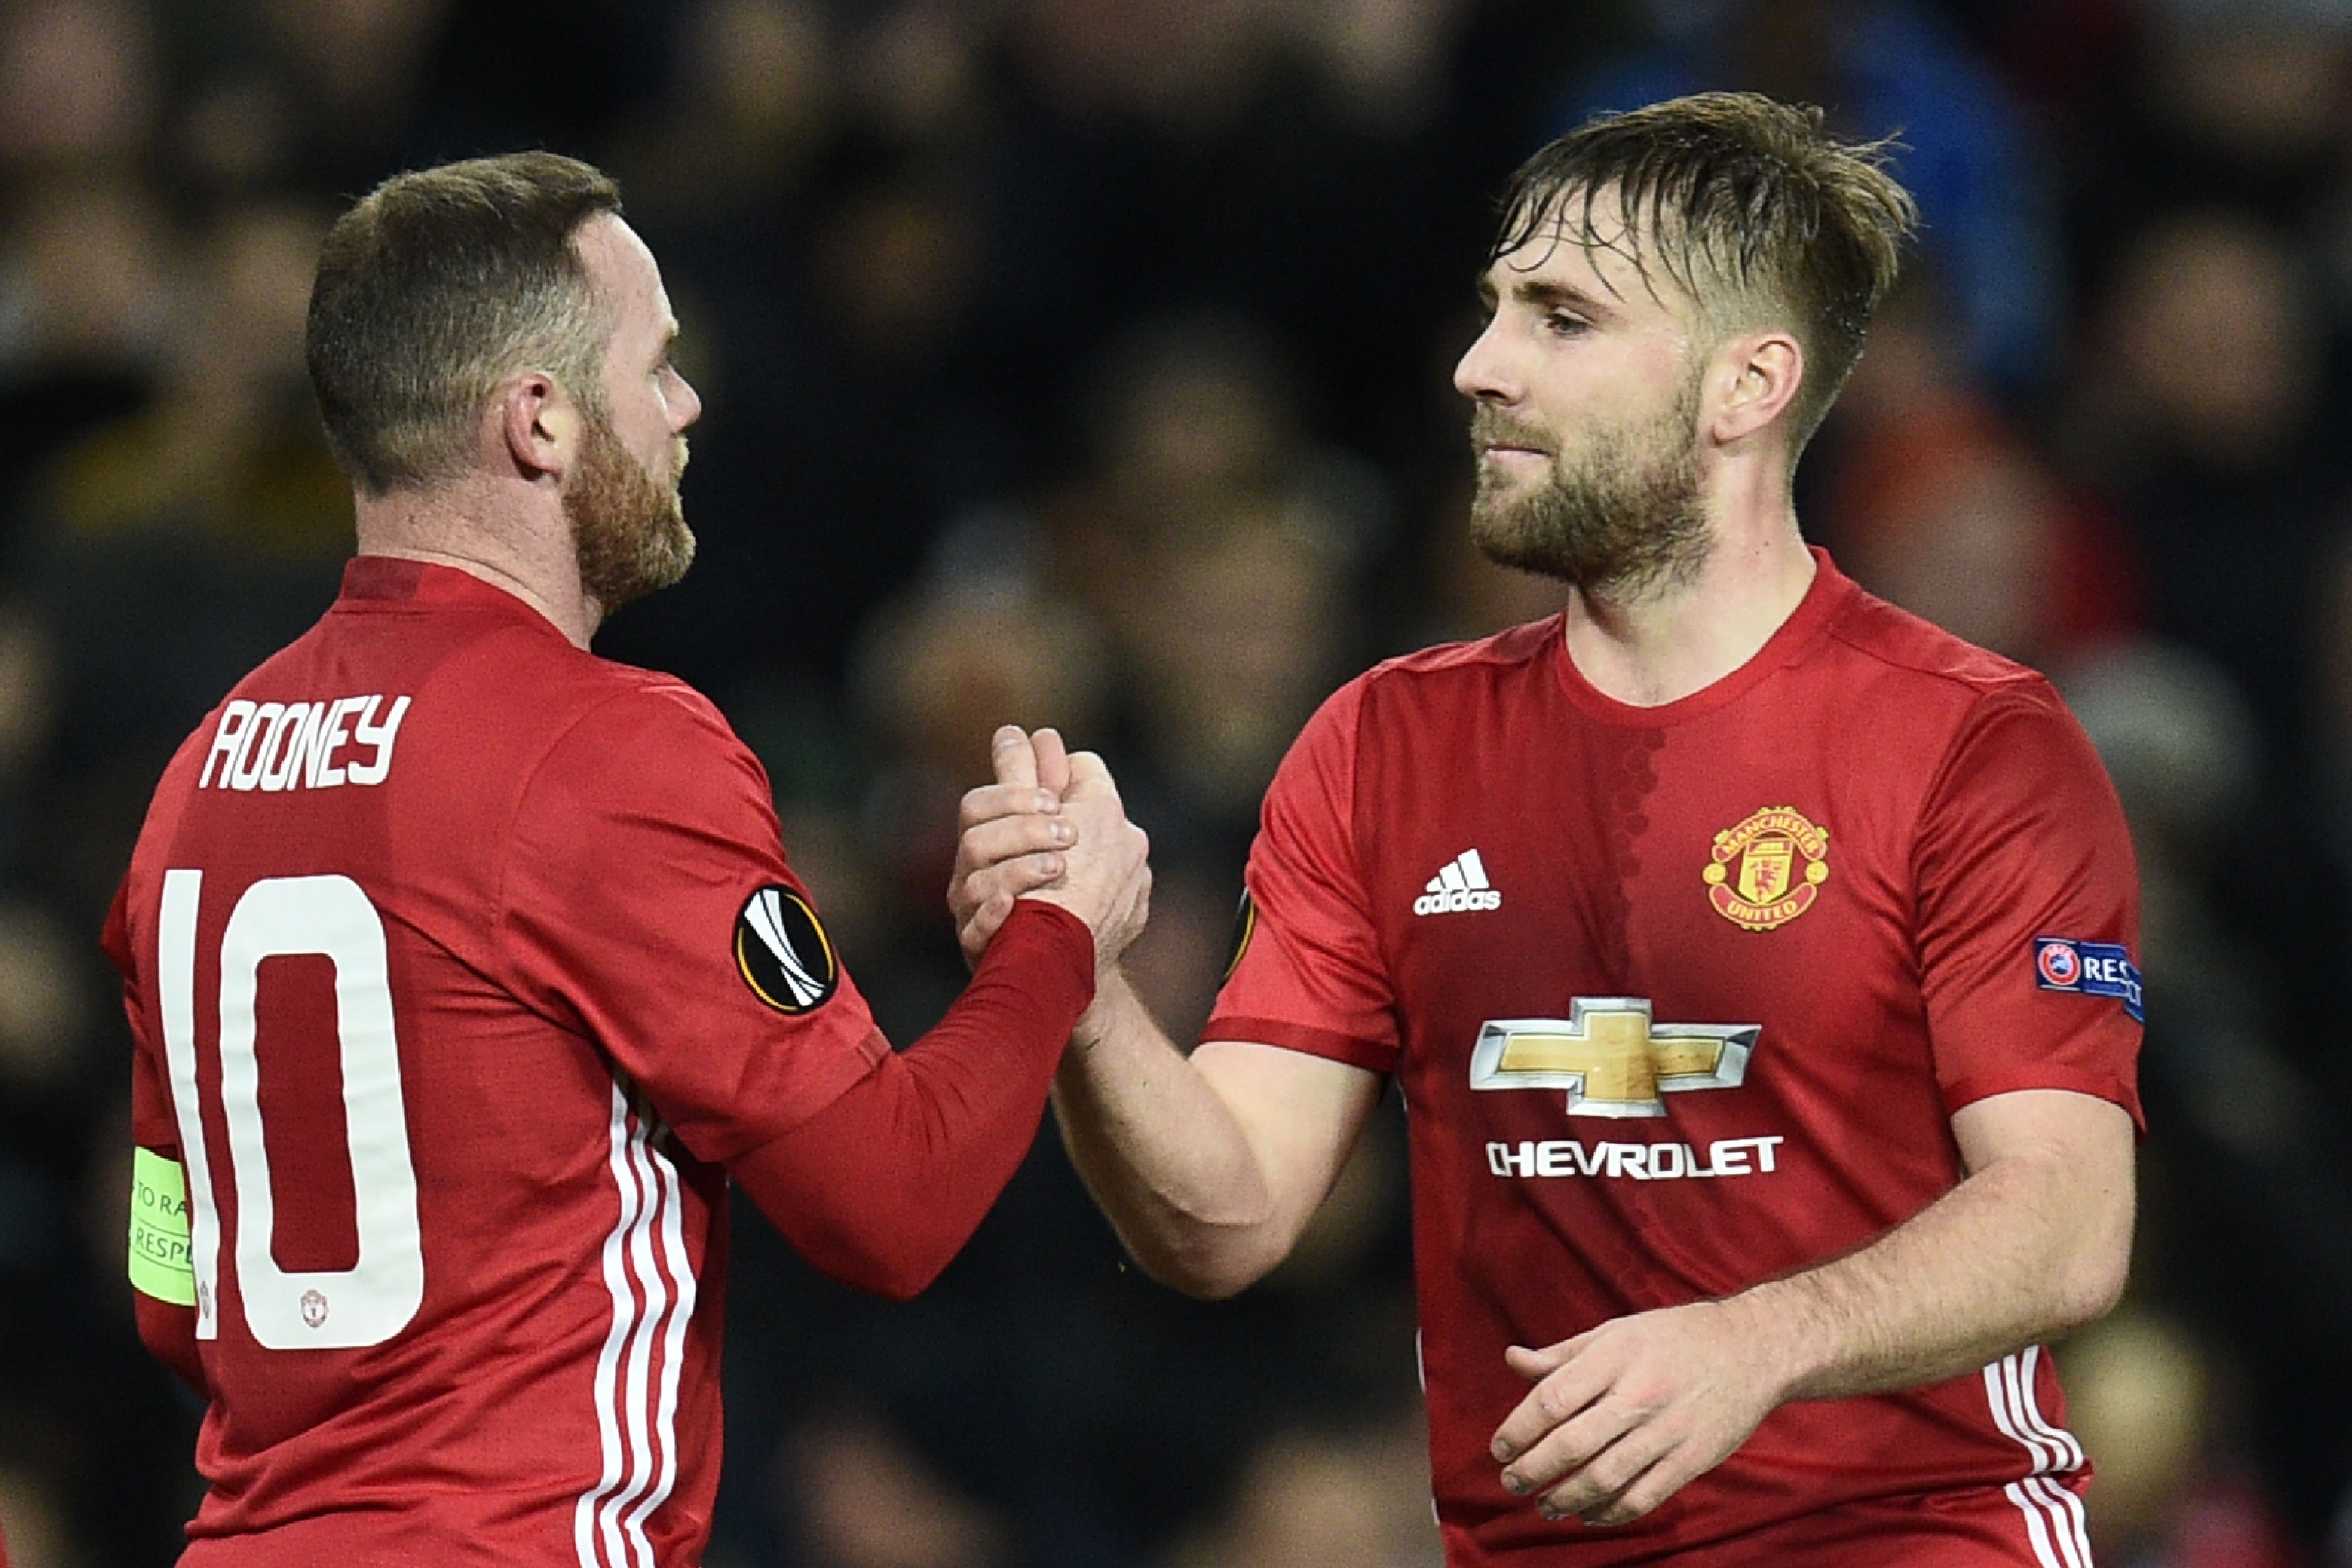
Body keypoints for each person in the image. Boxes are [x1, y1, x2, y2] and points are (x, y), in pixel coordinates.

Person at [954, 93, 2141, 1566]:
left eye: (1561, 320)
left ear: (1745, 385)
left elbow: (2067, 1218)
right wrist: (1079, 986)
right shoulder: (1385, 744)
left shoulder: (1971, 743)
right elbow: (1224, 1216)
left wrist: (1755, 1344)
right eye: (1495, 310)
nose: (1479, 367)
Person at [103, 151, 1149, 1567]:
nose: (685, 406)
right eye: (655, 365)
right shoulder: (608, 754)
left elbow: (174, 1283)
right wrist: (1059, 935)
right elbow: (888, 1207)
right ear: (539, 421)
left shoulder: (199, 779)